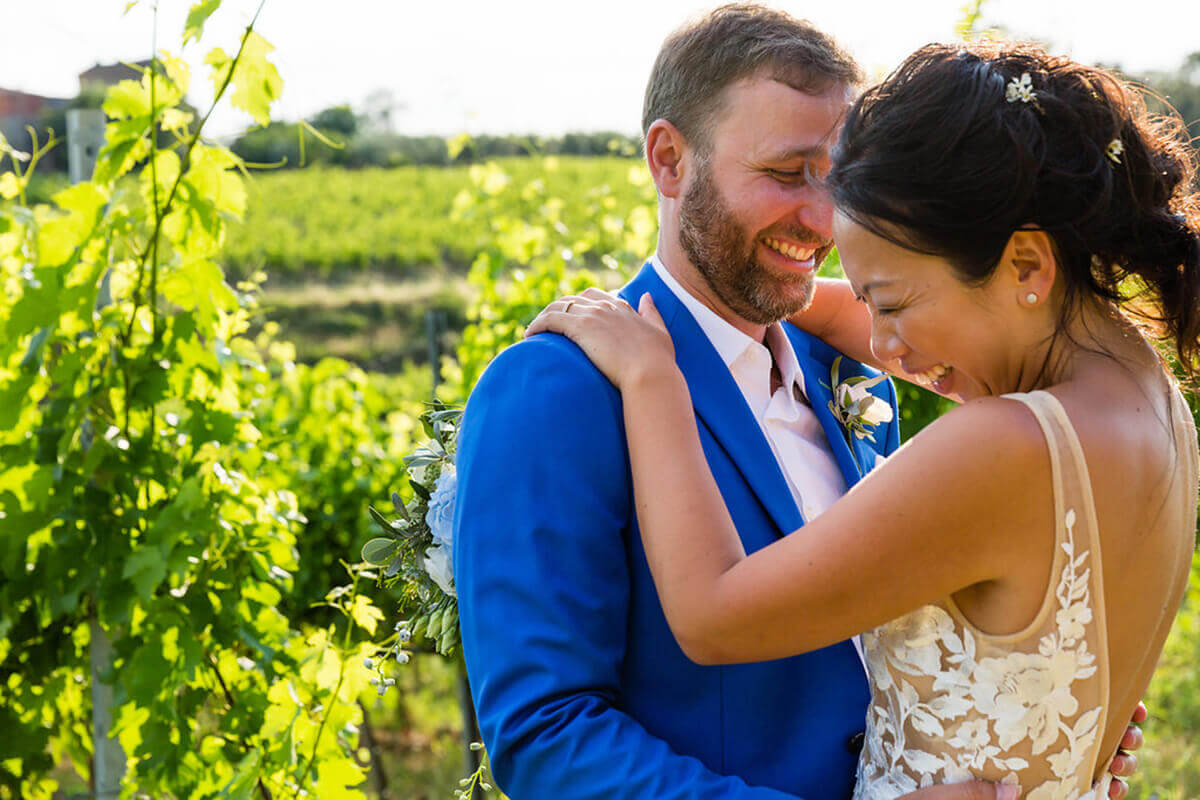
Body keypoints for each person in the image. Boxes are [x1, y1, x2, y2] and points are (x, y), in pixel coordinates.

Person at [456, 5, 1142, 798]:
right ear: (670, 160)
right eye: (787, 174)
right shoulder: (558, 392)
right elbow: (546, 738)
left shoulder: (849, 367)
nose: (824, 220)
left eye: (840, 178)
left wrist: (1038, 711)